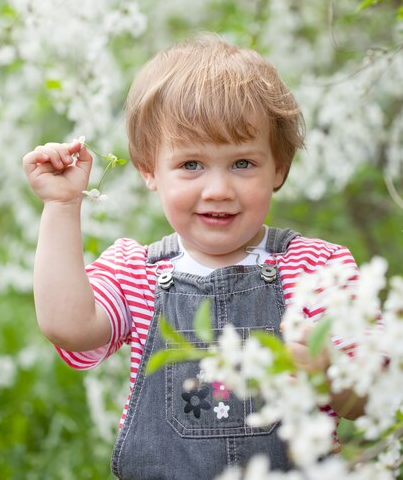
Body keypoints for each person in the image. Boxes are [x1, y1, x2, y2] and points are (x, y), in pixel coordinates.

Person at [23, 35, 365, 480]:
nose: (219, 189)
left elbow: (372, 399)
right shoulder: (137, 275)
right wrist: (62, 207)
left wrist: (332, 372)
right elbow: (68, 326)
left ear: (278, 167)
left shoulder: (316, 270)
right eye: (191, 165)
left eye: (242, 163)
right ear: (149, 170)